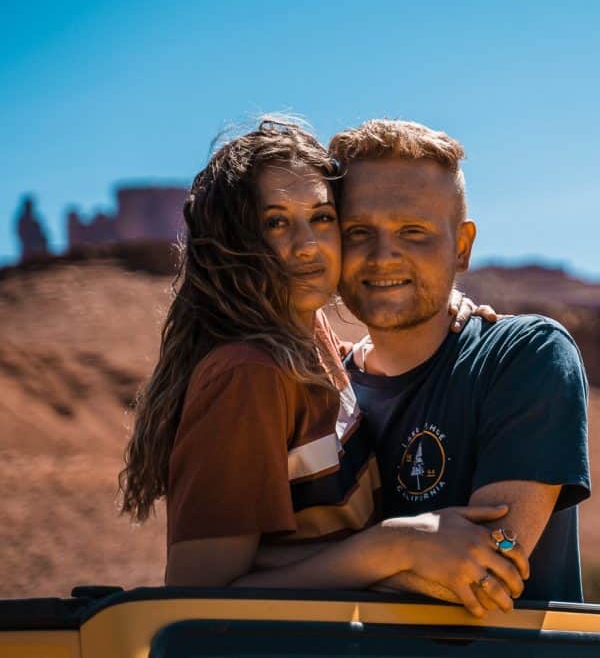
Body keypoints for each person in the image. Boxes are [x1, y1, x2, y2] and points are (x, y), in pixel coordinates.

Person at [118, 119, 529, 616]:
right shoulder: (247, 373)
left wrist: (450, 306)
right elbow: (197, 600)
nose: (307, 245)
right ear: (234, 240)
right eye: (275, 222)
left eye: (322, 217)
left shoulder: (319, 347)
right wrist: (395, 547)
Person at [329, 119, 591, 606]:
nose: (384, 255)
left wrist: (263, 583)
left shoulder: (523, 357)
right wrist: (400, 546)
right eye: (359, 231)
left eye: (414, 231)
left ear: (462, 247)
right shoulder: (320, 391)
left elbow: (487, 574)